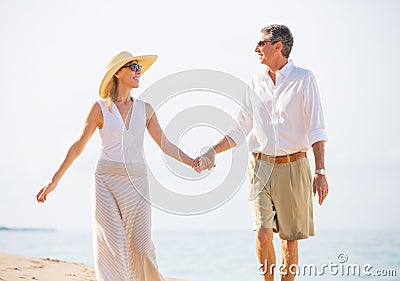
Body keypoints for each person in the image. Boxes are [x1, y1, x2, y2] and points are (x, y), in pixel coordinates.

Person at [36, 51, 196, 281]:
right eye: (133, 66)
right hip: (105, 181)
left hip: (137, 183)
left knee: (141, 247)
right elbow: (78, 146)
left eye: (139, 67)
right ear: (117, 73)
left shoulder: (145, 108)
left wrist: (192, 162)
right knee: (115, 246)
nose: (138, 71)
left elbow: (166, 145)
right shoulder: (100, 108)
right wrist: (54, 181)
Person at [195, 24, 329, 281]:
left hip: (294, 166)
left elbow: (316, 129)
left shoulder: (305, 78)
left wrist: (320, 171)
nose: (256, 48)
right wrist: (212, 151)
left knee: (289, 241)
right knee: (262, 234)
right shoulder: (254, 82)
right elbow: (239, 129)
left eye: (261, 43)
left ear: (278, 46)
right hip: (260, 168)